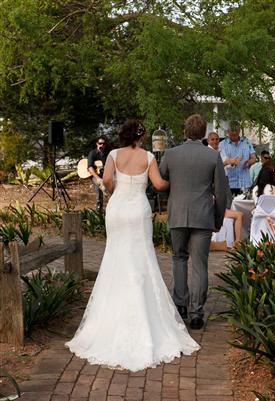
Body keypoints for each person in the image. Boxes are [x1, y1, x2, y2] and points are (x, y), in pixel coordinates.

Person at [66, 120, 199, 371]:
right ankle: (146, 318)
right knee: (141, 258)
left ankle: (109, 321)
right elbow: (159, 185)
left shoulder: (113, 154)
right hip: (138, 210)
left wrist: (116, 187)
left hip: (117, 210)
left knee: (114, 257)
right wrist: (174, 183)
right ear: (141, 137)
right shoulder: (148, 157)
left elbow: (106, 181)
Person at [159, 115, 227, 330]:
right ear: (204, 133)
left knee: (179, 258)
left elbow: (161, 184)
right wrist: (218, 219)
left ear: (184, 131)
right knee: (200, 265)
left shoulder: (170, 154)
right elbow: (221, 193)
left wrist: (169, 203)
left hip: (178, 214)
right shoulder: (212, 156)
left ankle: (181, 306)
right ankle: (197, 313)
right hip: (203, 216)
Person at [207, 131, 243, 242]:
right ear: (208, 140)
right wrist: (228, 162)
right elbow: (213, 166)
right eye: (212, 139)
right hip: (215, 181)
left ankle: (226, 225)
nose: (215, 141)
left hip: (225, 179)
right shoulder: (208, 152)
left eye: (217, 139)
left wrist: (233, 162)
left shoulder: (221, 150)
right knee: (221, 203)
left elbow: (226, 164)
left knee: (228, 201)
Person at [219, 121, 256, 196]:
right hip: (229, 183)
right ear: (228, 131)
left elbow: (254, 158)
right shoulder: (222, 144)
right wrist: (230, 162)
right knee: (230, 206)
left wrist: (249, 162)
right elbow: (219, 163)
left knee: (244, 206)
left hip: (245, 183)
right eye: (232, 131)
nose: (234, 133)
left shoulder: (247, 142)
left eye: (236, 130)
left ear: (239, 131)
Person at [87, 136, 110, 212]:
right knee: (99, 186)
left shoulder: (107, 154)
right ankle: (98, 210)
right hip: (95, 175)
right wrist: (98, 178)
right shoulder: (92, 153)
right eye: (100, 143)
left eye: (103, 144)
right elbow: (90, 167)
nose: (102, 145)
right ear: (97, 144)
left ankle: (110, 209)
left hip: (104, 175)